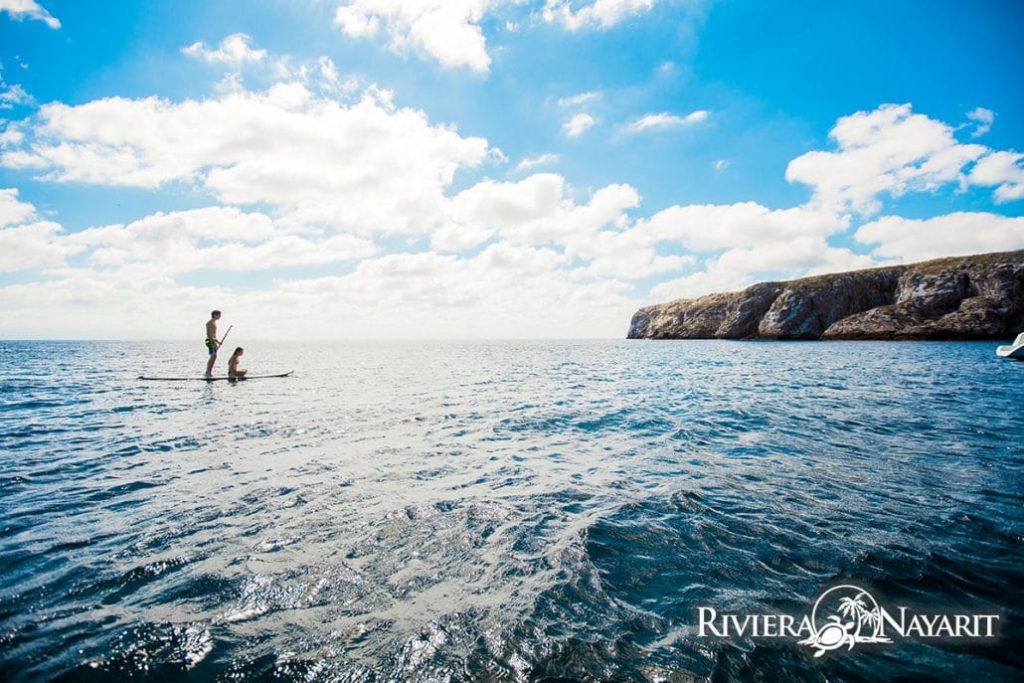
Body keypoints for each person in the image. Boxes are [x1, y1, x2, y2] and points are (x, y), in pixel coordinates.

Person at [205, 310, 223, 378]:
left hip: (213, 340)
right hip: (210, 341)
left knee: (213, 356)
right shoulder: (210, 323)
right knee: (213, 356)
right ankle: (208, 372)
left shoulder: (214, 323)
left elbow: (213, 335)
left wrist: (217, 341)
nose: (220, 316)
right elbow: (209, 334)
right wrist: (216, 342)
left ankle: (208, 372)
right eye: (219, 315)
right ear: (215, 315)